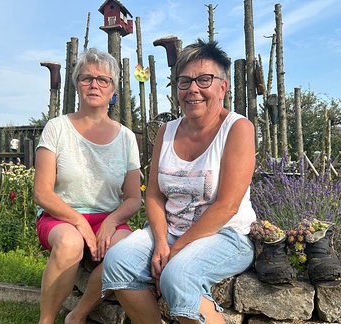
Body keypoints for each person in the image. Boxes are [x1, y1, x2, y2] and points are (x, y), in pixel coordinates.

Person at [102, 39, 257, 323]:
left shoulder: (237, 128)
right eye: (184, 82)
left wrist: (175, 250)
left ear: (223, 87)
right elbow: (154, 195)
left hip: (225, 235)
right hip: (170, 231)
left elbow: (227, 206)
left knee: (179, 274)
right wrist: (161, 241)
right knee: (117, 261)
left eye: (204, 79)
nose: (193, 89)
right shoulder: (167, 131)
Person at [33, 48, 141, 324]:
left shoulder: (127, 138)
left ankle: (77, 315)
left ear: (113, 89)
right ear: (77, 84)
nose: (94, 84)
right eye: (87, 78)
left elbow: (132, 199)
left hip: (109, 219)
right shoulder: (57, 129)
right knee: (70, 243)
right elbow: (42, 192)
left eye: (103, 80)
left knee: (126, 251)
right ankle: (46, 320)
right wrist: (79, 223)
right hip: (61, 217)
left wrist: (112, 221)